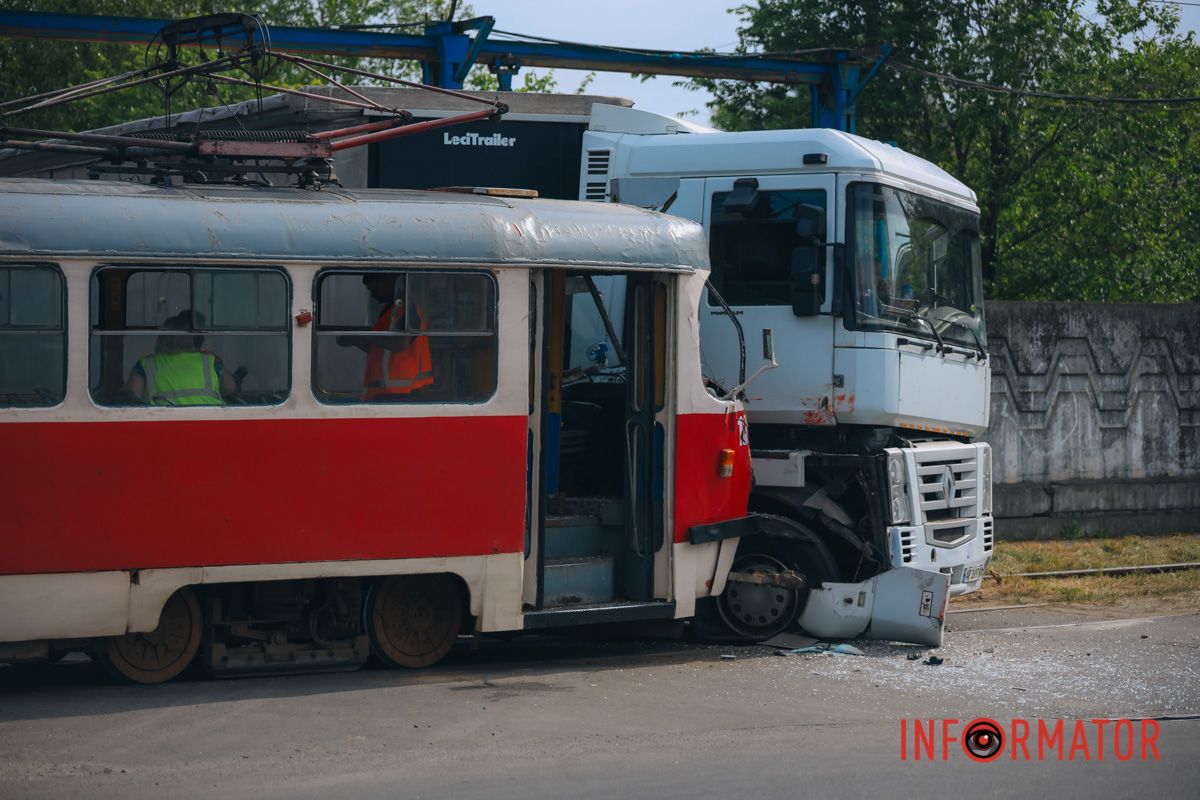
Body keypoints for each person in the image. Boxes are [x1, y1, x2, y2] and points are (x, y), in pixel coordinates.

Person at [125, 310, 236, 406]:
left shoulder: (146, 363)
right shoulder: (210, 360)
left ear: (161, 337)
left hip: (164, 421)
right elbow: (230, 388)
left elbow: (132, 394)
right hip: (211, 420)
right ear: (191, 338)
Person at [354, 273, 433, 401]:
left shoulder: (407, 308)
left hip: (403, 391)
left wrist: (367, 337)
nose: (373, 295)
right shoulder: (391, 310)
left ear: (390, 282)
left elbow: (399, 344)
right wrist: (356, 340)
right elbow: (381, 351)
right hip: (388, 390)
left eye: (376, 290)